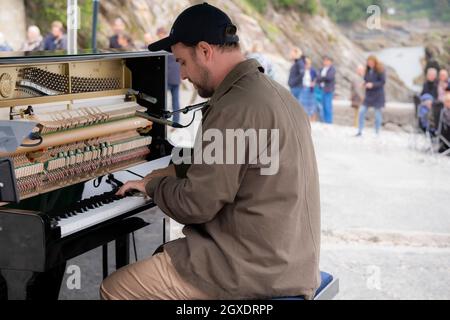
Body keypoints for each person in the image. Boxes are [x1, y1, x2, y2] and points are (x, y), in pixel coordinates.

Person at [101, 3, 321, 300]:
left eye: (182, 62)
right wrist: (175, 168)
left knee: (115, 289)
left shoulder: (233, 108)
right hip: (288, 262)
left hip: (245, 270)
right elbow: (235, 160)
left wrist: (153, 185)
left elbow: (196, 205)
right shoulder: (273, 93)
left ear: (205, 50)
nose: (182, 75)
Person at [155, 27, 181, 126]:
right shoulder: (174, 45)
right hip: (175, 77)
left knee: (164, 101)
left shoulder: (164, 46)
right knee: (175, 101)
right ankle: (176, 121)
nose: (159, 36)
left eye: (160, 34)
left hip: (168, 78)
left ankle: (165, 121)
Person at [356, 55, 386, 136]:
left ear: (375, 62)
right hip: (368, 95)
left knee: (377, 114)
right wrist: (364, 83)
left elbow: (382, 82)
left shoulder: (380, 70)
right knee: (361, 112)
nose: (370, 64)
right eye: (368, 62)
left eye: (371, 62)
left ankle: (377, 132)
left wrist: (372, 84)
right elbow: (366, 80)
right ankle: (360, 131)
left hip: (378, 95)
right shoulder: (368, 70)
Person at [317, 56, 336, 124]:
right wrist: (323, 78)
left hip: (328, 89)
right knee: (323, 105)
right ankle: (324, 120)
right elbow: (318, 77)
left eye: (327, 60)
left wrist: (322, 78)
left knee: (328, 106)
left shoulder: (332, 69)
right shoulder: (322, 69)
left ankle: (329, 121)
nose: (325, 62)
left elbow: (329, 78)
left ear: (330, 62)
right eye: (324, 60)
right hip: (321, 89)